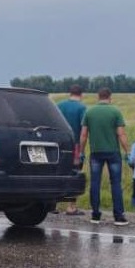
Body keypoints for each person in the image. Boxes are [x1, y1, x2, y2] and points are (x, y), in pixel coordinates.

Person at [79, 88, 130, 226]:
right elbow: (121, 134)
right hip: (113, 152)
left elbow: (83, 135)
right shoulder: (115, 111)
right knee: (116, 184)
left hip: (96, 152)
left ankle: (95, 215)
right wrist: (127, 151)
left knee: (95, 183)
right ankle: (118, 216)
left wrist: (81, 152)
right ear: (110, 97)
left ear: (98, 96)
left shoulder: (89, 112)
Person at [56, 85, 87, 215]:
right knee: (74, 173)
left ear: (70, 93)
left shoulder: (59, 105)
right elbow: (83, 129)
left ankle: (54, 205)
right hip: (74, 145)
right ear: (81, 94)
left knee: (57, 172)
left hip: (58, 144)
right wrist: (81, 149)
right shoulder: (82, 108)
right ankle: (71, 206)